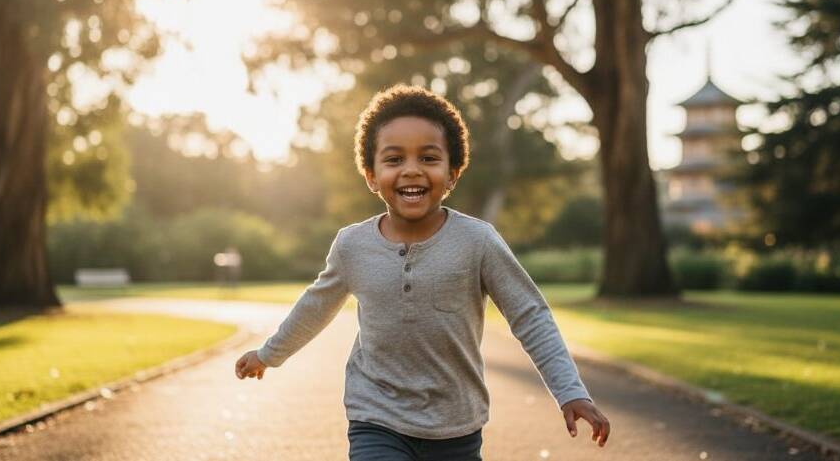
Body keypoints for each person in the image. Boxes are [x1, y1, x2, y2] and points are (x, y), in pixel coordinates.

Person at [234, 84, 611, 460]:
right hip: (376, 417)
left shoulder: (477, 241)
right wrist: (269, 354)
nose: (411, 170)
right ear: (370, 175)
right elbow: (315, 306)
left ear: (453, 173)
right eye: (394, 159)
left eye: (429, 158)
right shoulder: (352, 246)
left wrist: (570, 391)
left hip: (456, 425)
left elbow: (530, 316)